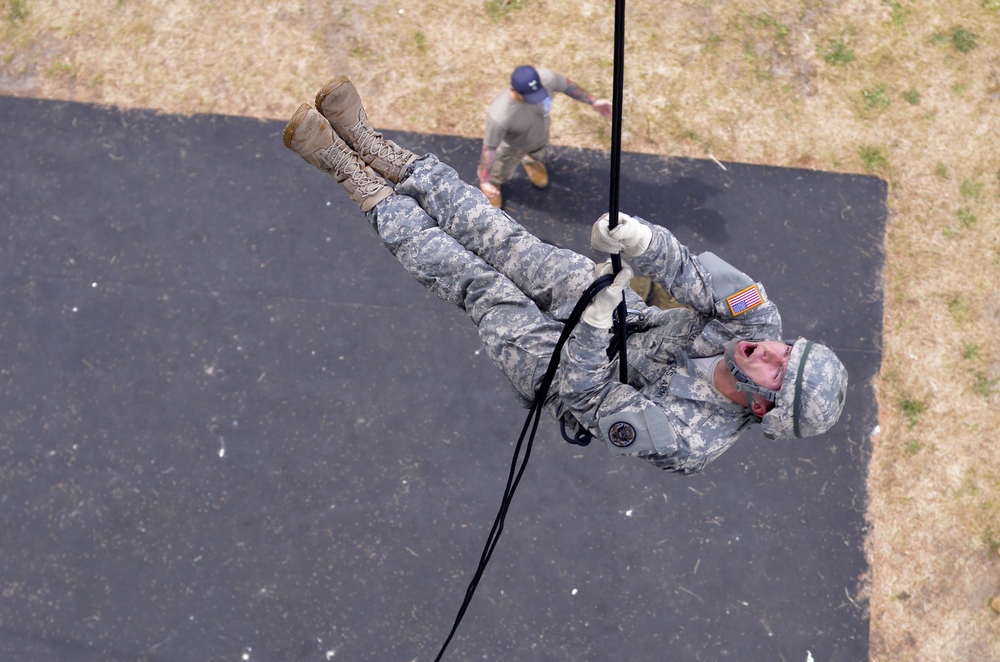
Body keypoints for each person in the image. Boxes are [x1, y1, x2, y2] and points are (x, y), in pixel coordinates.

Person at [282, 77, 848, 475]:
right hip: (621, 312)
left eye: (777, 371)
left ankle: (354, 176)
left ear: (758, 408)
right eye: (786, 350)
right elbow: (689, 274)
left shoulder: (690, 441)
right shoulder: (758, 318)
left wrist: (594, 328)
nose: (771, 351)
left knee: (481, 284)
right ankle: (373, 145)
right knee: (500, 238)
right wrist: (641, 240)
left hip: (561, 371)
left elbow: (588, 396)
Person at [478, 65, 613, 207]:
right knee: (500, 169)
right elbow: (489, 150)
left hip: (540, 135)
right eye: (529, 96)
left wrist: (593, 101)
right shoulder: (500, 116)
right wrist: (484, 181)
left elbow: (568, 86)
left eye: (537, 93)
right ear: (513, 89)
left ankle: (531, 162)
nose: (535, 99)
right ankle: (494, 183)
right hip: (512, 147)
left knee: (536, 153)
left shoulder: (547, 78)